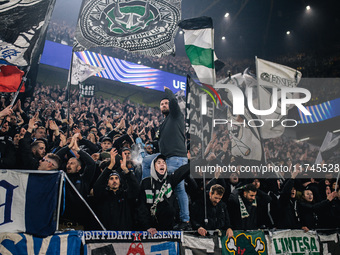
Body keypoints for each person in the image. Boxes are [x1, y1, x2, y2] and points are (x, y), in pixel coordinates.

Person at [157, 87, 190, 230]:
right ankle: (183, 219)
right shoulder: (163, 123)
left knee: (173, 188)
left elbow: (174, 103)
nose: (164, 105)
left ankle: (183, 219)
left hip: (176, 158)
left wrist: (169, 93)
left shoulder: (176, 116)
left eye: (166, 103)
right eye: (162, 104)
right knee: (178, 189)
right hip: (169, 158)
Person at [138, 154, 190, 234]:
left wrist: (195, 162)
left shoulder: (170, 180)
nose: (162, 164)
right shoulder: (146, 183)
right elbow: (142, 207)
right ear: (153, 166)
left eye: (164, 163)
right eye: (158, 163)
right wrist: (147, 227)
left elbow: (182, 171)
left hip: (169, 228)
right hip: (151, 229)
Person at [93, 149, 139, 230]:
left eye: (116, 178)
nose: (114, 181)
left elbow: (135, 187)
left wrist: (125, 169)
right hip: (106, 235)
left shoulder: (126, 195)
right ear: (107, 183)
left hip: (125, 236)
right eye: (111, 179)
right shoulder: (103, 196)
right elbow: (97, 186)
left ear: (120, 182)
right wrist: (111, 165)